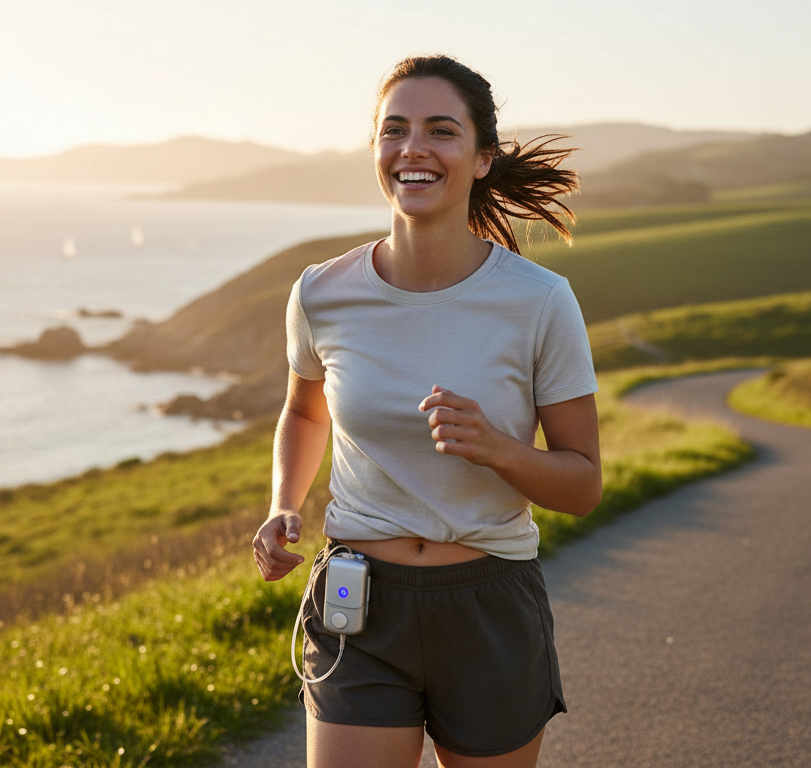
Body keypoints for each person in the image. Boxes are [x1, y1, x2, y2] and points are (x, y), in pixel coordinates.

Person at [251, 54, 601, 768]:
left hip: (488, 603)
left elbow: (583, 484)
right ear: (376, 150)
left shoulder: (539, 302)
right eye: (394, 130)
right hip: (359, 601)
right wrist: (284, 504)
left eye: (441, 131)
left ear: (481, 159)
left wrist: (499, 448)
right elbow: (305, 413)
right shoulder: (322, 292)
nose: (413, 148)